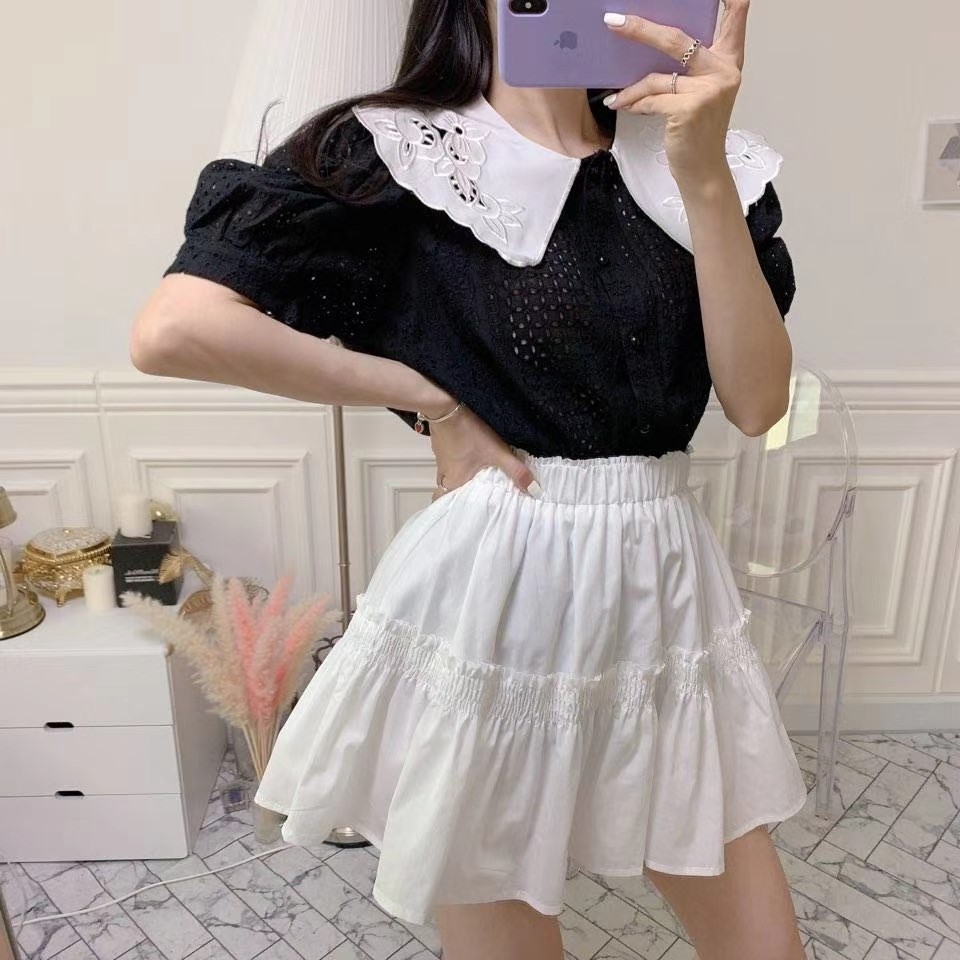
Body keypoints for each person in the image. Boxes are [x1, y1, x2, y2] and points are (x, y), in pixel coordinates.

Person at [131, 0, 809, 957]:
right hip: (498, 587)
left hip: (668, 585)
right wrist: (431, 403)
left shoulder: (695, 159)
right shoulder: (397, 152)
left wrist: (701, 172)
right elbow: (174, 329)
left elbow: (757, 402)